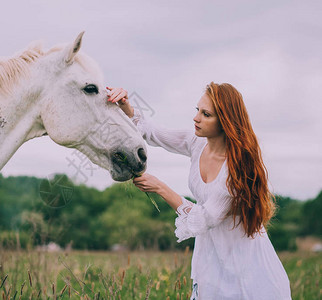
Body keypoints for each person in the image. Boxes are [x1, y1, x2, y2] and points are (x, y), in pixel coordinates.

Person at [106, 83, 291, 299]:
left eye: (206, 114)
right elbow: (155, 133)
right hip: (212, 258)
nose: (196, 118)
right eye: (197, 110)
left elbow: (204, 219)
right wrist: (126, 107)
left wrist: (160, 187)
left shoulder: (235, 170)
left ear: (225, 122)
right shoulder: (196, 142)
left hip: (247, 267)